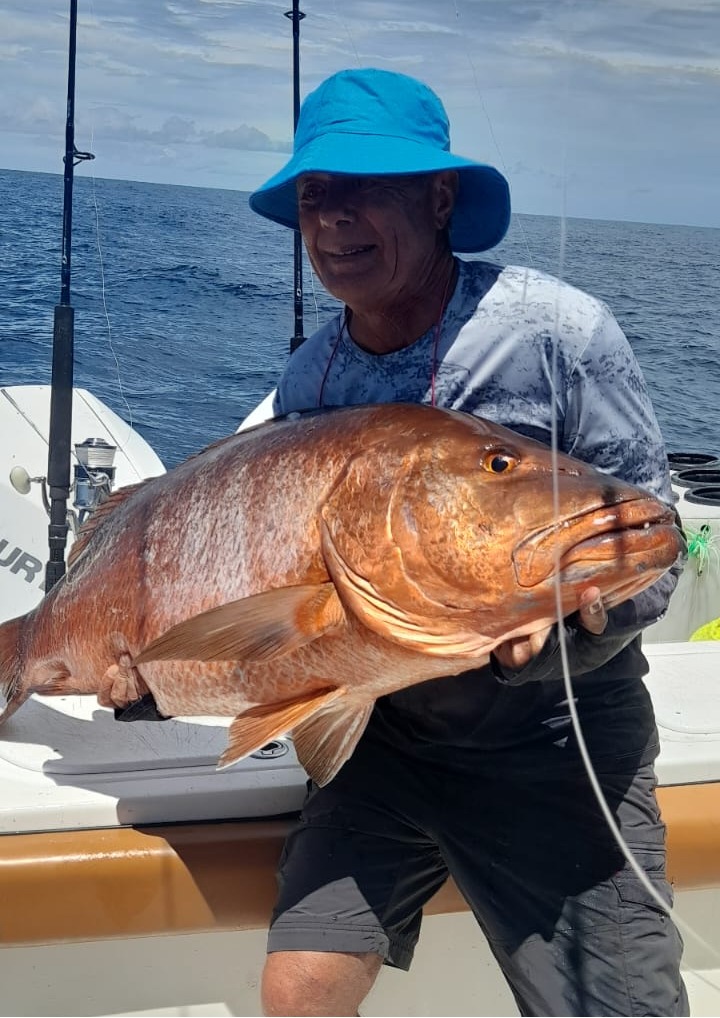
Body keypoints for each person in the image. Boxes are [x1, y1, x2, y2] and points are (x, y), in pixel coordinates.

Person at [248, 67, 688, 1017]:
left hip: (556, 749)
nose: (332, 219)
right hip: (390, 739)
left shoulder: (555, 335)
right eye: (316, 194)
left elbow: (657, 537)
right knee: (299, 991)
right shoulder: (311, 381)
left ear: (441, 195)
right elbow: (304, 588)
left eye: (368, 188)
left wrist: (569, 637)